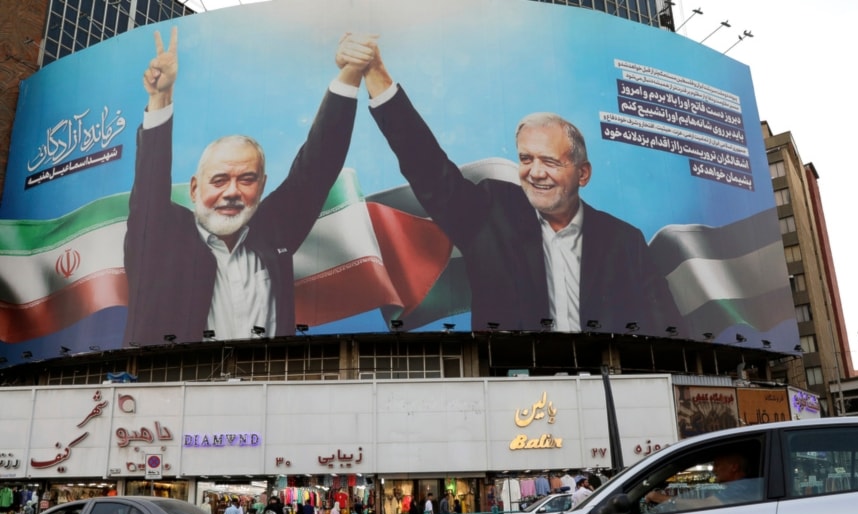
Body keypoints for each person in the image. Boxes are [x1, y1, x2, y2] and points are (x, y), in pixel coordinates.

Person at [354, 35, 684, 333]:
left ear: (583, 174)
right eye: (526, 159)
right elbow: (428, 169)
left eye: (550, 162)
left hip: (606, 385)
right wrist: (378, 79)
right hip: (512, 387)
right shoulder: (490, 212)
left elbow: (666, 328)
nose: (535, 172)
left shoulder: (624, 242)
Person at [124, 28, 376, 345]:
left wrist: (351, 72)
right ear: (193, 188)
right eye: (219, 180)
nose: (232, 192)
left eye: (246, 179)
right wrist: (160, 99)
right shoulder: (161, 235)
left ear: (262, 185)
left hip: (267, 385)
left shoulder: (273, 230)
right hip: (177, 386)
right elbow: (149, 183)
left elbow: (318, 166)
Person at [644, 452, 762, 512]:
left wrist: (661, 499)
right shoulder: (746, 486)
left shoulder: (742, 487)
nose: (714, 469)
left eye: (717, 465)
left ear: (734, 467)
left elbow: (706, 504)